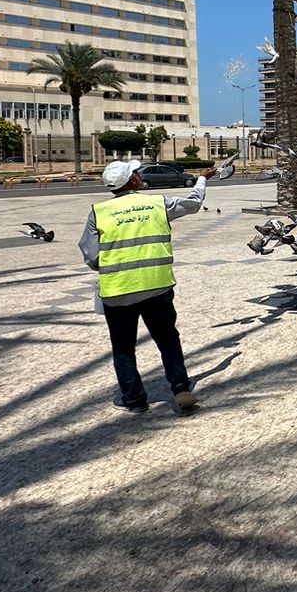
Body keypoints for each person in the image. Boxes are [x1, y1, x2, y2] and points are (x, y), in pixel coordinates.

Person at [79, 159, 206, 413]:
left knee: (123, 348)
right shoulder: (156, 203)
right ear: (133, 181)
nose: (138, 174)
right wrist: (202, 180)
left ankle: (135, 400)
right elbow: (193, 204)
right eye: (135, 172)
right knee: (168, 338)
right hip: (156, 285)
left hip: (118, 291)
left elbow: (91, 256)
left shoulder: (98, 212)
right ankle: (180, 387)